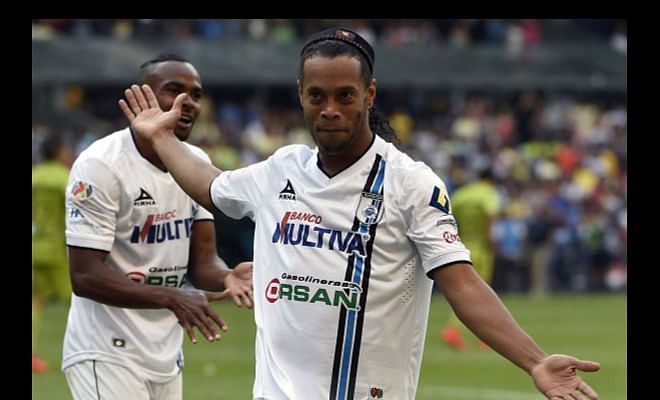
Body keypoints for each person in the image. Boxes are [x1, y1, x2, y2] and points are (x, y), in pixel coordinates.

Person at [120, 29, 600, 400]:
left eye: (344, 96)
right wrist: (161, 138)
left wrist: (534, 361)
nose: (330, 109)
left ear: (369, 95)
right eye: (317, 96)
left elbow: (462, 282)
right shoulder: (280, 169)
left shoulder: (409, 183)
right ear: (301, 95)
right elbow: (208, 184)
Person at [62, 53, 254, 400]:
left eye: (196, 94)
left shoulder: (197, 163)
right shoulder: (101, 165)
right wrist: (172, 296)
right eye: (174, 89)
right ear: (143, 96)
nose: (188, 102)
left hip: (165, 352)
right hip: (105, 349)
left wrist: (226, 276)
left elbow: (202, 263)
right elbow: (85, 276)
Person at [441, 168, 501, 350]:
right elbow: (491, 213)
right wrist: (491, 237)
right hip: (481, 247)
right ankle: (454, 329)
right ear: (491, 180)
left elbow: (448, 214)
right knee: (480, 293)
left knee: (463, 290)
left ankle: (482, 335)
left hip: (461, 244)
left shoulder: (462, 194)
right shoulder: (488, 193)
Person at [32, 132, 75, 373]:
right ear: (59, 152)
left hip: (35, 245)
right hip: (57, 248)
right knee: (79, 302)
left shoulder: (34, 176)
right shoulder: (64, 178)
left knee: (34, 301)